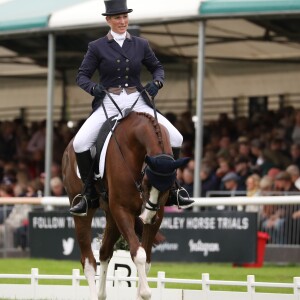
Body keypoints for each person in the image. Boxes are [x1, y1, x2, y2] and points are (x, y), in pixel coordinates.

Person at [70, 0, 193, 216]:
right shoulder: (97, 46)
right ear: (108, 20)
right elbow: (81, 76)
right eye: (117, 17)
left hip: (138, 100)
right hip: (109, 100)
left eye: (125, 17)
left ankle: (174, 189)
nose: (122, 21)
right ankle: (89, 193)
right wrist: (93, 88)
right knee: (80, 143)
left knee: (176, 138)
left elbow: (157, 68)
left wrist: (157, 83)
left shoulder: (141, 44)